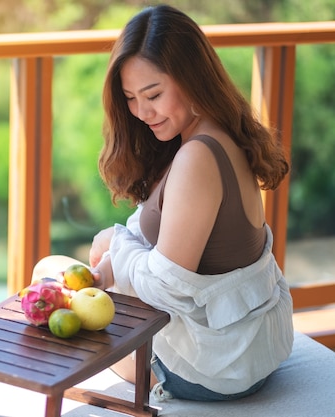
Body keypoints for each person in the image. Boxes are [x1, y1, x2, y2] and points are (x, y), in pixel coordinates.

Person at [33, 4, 293, 402]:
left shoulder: (197, 156)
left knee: (46, 278)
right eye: (131, 98)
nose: (141, 112)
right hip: (244, 350)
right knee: (71, 274)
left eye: (153, 94)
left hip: (209, 370)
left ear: (193, 79)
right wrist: (114, 248)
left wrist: (116, 246)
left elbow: (165, 289)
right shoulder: (219, 132)